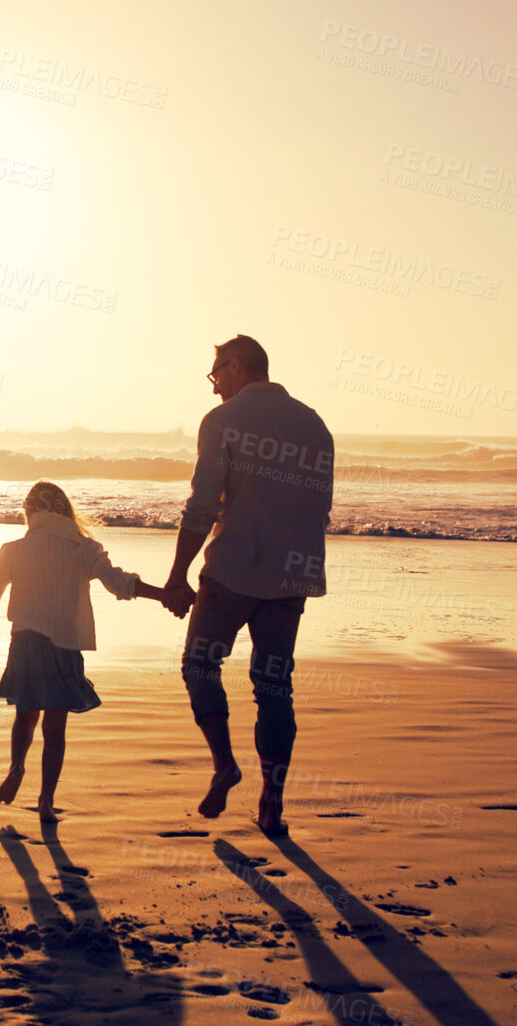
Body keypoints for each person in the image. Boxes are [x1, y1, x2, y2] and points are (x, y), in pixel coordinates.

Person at [158, 334, 333, 836]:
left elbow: (203, 505)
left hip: (232, 571)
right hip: (291, 577)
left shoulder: (223, 421)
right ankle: (272, 802)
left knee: (200, 665)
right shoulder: (314, 423)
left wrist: (177, 577)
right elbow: (318, 508)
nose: (214, 388)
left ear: (235, 367)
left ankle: (224, 765)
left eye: (216, 374)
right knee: (275, 687)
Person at [0, 482, 169, 821]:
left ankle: (17, 767)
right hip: (65, 645)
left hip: (26, 644)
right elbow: (121, 583)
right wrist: (165, 595)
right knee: (55, 728)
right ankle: (46, 801)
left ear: (30, 513)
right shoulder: (83, 548)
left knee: (25, 716)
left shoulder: (14, 550)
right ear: (64, 511)